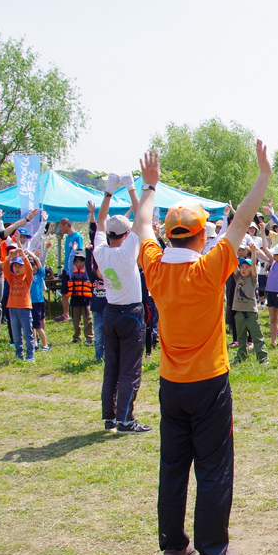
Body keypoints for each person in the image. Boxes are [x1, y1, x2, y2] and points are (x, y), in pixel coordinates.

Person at [137, 140, 270, 555]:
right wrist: (263, 175)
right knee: (214, 466)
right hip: (210, 382)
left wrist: (150, 186)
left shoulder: (155, 267)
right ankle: (213, 551)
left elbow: (142, 226)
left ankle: (174, 548)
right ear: (200, 234)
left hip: (171, 385)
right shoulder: (208, 268)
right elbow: (242, 219)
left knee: (173, 465)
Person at [93, 177, 150, 433]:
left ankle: (110, 418)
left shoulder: (100, 251)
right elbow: (141, 215)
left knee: (111, 369)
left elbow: (100, 221)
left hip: (111, 312)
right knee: (130, 370)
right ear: (127, 234)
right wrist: (130, 188)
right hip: (131, 314)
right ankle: (126, 420)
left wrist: (108, 191)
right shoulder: (128, 250)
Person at [230, 252, 268, 366]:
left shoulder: (252, 279)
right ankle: (240, 357)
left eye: (247, 267)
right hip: (239, 312)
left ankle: (263, 359)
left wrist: (252, 251)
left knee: (257, 336)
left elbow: (254, 270)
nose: (244, 269)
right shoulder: (238, 278)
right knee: (240, 337)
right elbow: (232, 264)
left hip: (251, 312)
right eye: (242, 267)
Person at [2, 244, 37, 362]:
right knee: (16, 335)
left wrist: (23, 256)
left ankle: (30, 355)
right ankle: (19, 355)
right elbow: (5, 268)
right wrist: (9, 257)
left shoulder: (26, 279)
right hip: (12, 308)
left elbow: (29, 269)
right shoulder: (11, 278)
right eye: (15, 266)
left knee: (27, 334)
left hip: (24, 308)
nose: (17, 268)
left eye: (19, 266)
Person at [67, 250, 95, 345]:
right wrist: (73, 251)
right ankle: (76, 337)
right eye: (77, 261)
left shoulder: (87, 272)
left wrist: (88, 252)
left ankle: (89, 338)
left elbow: (89, 262)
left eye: (81, 261)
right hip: (75, 299)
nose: (79, 264)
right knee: (75, 320)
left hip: (85, 300)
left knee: (87, 319)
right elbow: (69, 262)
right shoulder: (72, 272)